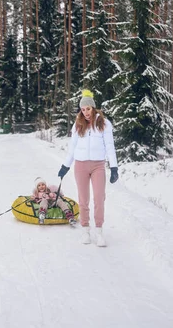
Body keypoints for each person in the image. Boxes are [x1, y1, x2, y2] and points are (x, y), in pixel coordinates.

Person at [57, 89, 118, 247]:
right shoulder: (78, 124)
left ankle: (99, 232)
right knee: (83, 200)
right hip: (80, 165)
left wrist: (114, 167)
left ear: (94, 108)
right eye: (83, 109)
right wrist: (65, 166)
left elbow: (110, 147)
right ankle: (85, 230)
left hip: (98, 165)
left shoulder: (104, 124)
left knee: (99, 198)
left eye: (88, 109)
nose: (85, 113)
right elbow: (72, 148)